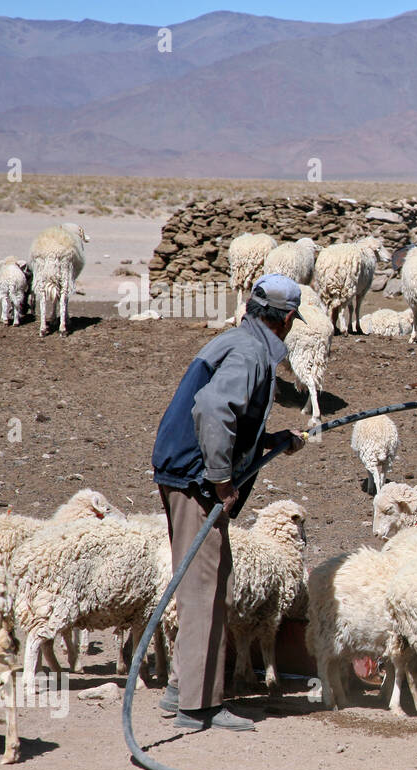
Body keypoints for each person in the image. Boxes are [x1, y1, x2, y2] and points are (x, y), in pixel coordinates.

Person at [151, 274, 305, 732]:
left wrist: (270, 441)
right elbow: (214, 411)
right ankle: (198, 707)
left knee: (206, 583)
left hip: (182, 472)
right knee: (206, 588)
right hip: (196, 479)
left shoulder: (238, 340)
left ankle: (182, 686)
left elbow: (228, 416)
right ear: (287, 319)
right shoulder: (252, 352)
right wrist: (220, 479)